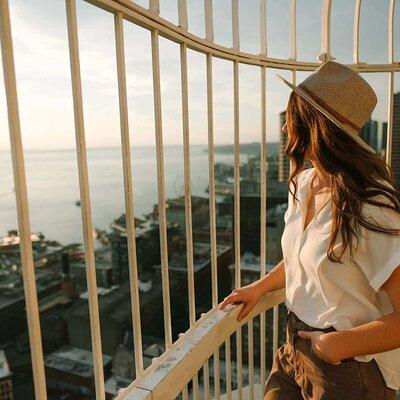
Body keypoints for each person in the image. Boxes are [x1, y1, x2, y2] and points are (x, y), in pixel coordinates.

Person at [218, 60, 400, 399]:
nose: (286, 125)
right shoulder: (304, 183)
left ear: (312, 124)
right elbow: (300, 260)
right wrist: (258, 287)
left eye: (292, 114)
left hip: (347, 369)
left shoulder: (370, 204)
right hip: (294, 349)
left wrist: (335, 346)